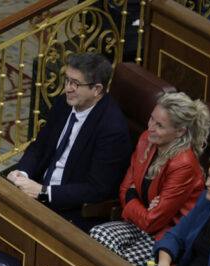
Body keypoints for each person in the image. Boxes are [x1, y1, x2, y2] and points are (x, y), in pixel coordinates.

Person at [7, 52, 130, 231]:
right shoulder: (64, 104)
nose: (67, 88)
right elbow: (39, 146)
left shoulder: (112, 130)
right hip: (37, 188)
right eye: (67, 80)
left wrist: (44, 193)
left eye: (76, 84)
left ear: (96, 89)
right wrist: (22, 173)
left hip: (69, 210)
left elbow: (96, 189)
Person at [90, 92, 210, 266]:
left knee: (126, 263)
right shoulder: (146, 139)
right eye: (152, 119)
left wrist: (133, 197)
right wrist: (138, 202)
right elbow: (125, 189)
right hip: (139, 223)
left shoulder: (183, 164)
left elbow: (152, 221)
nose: (151, 127)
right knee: (98, 235)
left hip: (168, 236)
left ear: (180, 131)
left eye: (160, 125)